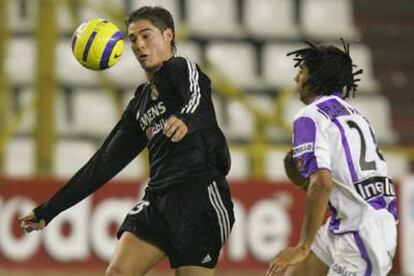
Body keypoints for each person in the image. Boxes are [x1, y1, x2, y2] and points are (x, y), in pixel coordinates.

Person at [19, 6, 234, 276]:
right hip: (157, 201)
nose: (140, 45)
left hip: (200, 197)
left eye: (147, 36)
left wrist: (186, 119)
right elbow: (103, 163)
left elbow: (198, 96)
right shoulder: (140, 104)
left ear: (168, 35)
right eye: (133, 39)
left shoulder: (182, 68)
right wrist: (49, 210)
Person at [267, 40, 397, 276]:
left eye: (301, 71)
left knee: (300, 258)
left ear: (316, 78)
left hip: (361, 234)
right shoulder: (358, 116)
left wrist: (303, 246)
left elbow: (322, 182)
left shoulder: (309, 116)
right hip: (356, 222)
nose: (297, 79)